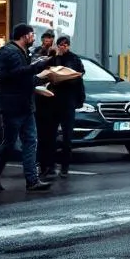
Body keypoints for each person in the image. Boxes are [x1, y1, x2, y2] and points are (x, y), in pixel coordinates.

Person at [0, 23, 53, 192]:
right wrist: (36, 68)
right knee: (9, 143)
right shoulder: (9, 52)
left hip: (26, 105)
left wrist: (45, 78)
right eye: (32, 35)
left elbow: (26, 79)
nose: (34, 38)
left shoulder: (24, 53)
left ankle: (32, 181)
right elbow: (12, 75)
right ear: (24, 36)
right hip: (13, 106)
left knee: (30, 141)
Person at [44, 35, 86, 176]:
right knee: (51, 135)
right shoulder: (53, 57)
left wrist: (80, 100)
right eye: (61, 44)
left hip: (68, 100)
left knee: (67, 136)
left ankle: (65, 166)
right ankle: (50, 165)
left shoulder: (74, 59)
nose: (63, 47)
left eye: (65, 45)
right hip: (53, 100)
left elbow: (79, 77)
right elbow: (45, 71)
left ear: (68, 46)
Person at [32, 29, 60, 180]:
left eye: (50, 38)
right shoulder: (36, 53)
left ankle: (50, 165)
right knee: (40, 135)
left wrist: (55, 55)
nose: (47, 41)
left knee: (51, 136)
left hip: (53, 100)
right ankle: (40, 164)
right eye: (45, 38)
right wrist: (48, 56)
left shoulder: (59, 54)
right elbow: (34, 67)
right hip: (39, 99)